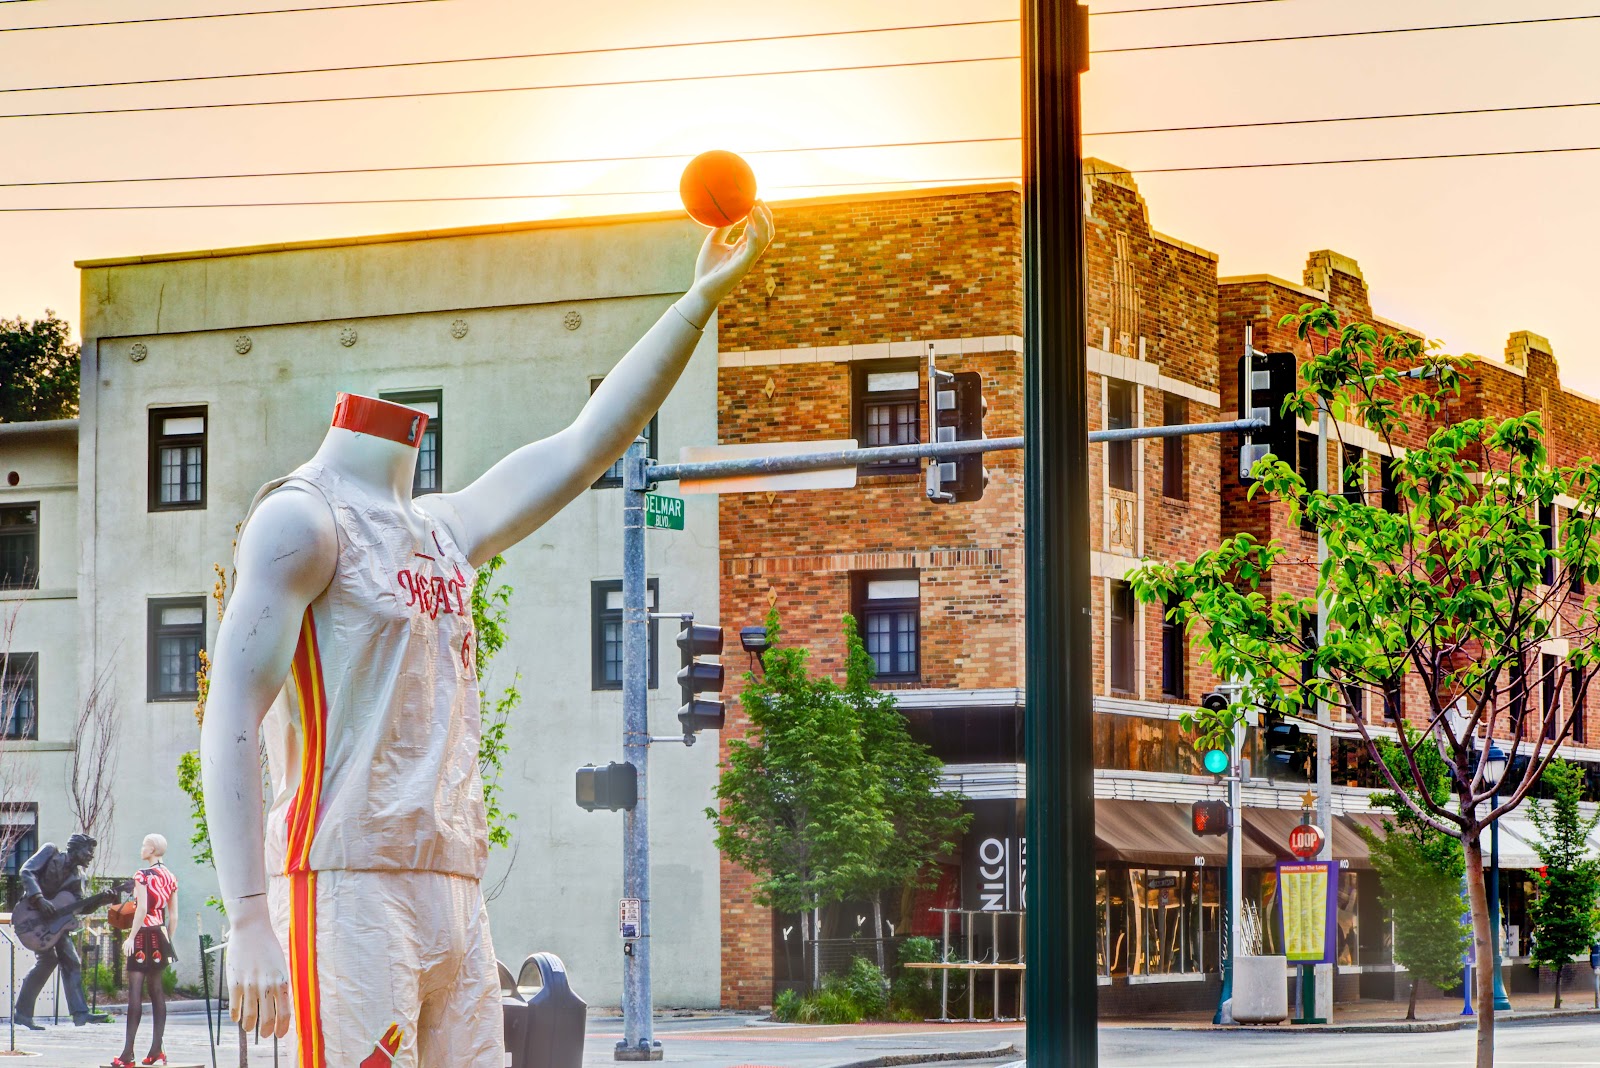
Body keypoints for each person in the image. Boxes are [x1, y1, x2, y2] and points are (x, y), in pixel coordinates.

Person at [199, 206, 773, 1066]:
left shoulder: (442, 529)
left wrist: (698, 300)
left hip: (454, 884)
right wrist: (246, 914)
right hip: (348, 883)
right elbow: (232, 712)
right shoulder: (302, 520)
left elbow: (585, 447)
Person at [14, 833, 108, 1029]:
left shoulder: (79, 877)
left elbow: (77, 907)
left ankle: (80, 1014)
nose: (91, 855)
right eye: (88, 850)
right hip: (32, 915)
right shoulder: (51, 852)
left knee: (72, 961)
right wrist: (39, 899)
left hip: (57, 924)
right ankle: (22, 1013)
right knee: (47, 960)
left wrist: (101, 900)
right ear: (76, 848)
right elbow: (26, 871)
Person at [113, 833, 178, 1068]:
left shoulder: (142, 874)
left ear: (151, 849)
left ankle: (127, 1055)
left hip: (142, 935)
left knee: (135, 993)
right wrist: (167, 938)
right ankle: (155, 1051)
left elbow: (141, 911)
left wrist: (131, 937)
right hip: (160, 935)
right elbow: (174, 915)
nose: (141, 849)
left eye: (144, 845)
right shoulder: (171, 877)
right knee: (157, 992)